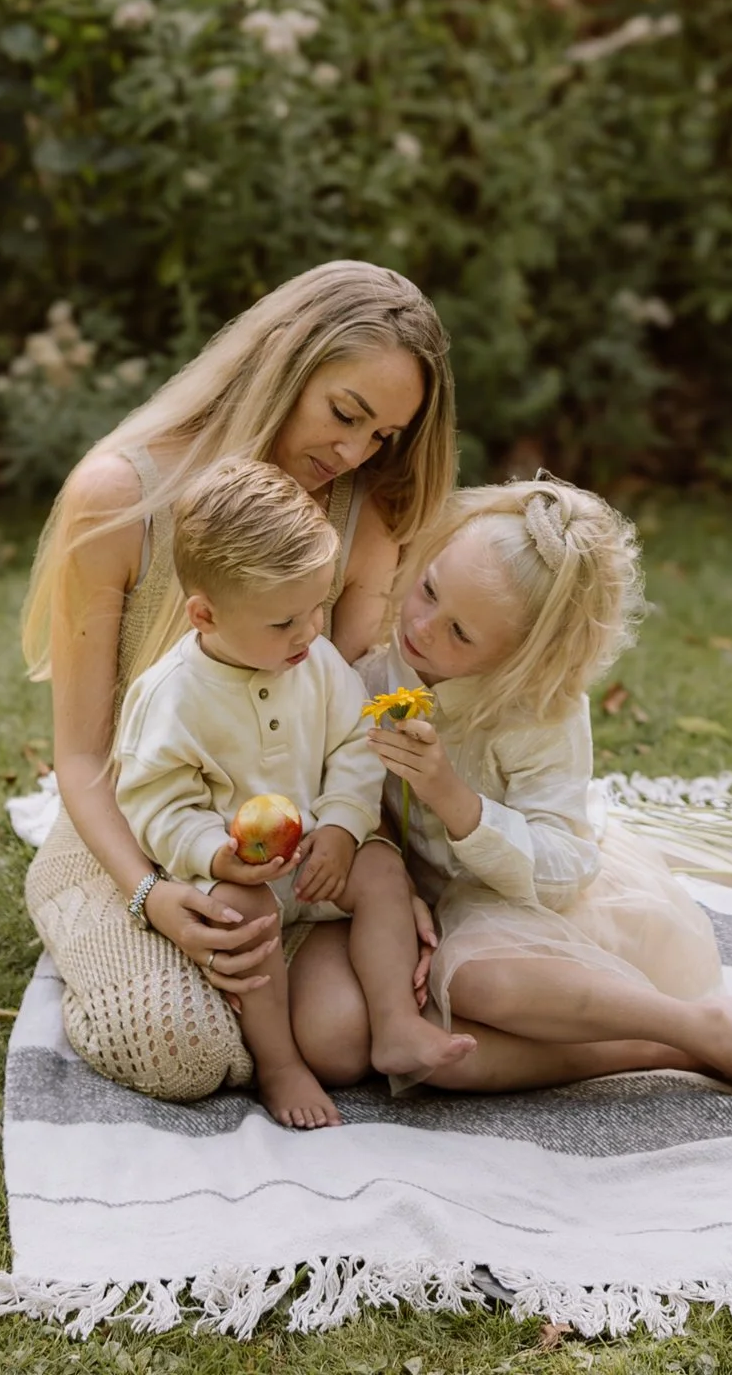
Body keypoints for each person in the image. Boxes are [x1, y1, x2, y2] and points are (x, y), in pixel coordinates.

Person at [22, 260, 457, 1099]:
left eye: (382, 437)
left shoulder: (360, 509)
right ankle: (152, 963)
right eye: (345, 414)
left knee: (344, 1041)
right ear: (286, 360)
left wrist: (377, 862)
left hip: (291, 842)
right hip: (135, 822)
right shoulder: (121, 495)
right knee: (178, 1052)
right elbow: (81, 763)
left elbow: (348, 719)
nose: (354, 451)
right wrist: (151, 897)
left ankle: (277, 1003)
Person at [360, 479, 732, 1104]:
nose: (422, 626)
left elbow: (563, 869)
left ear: (522, 656)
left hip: (524, 899)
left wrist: (453, 798)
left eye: (461, 634)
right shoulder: (372, 658)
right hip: (404, 899)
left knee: (475, 984)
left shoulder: (537, 710)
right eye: (429, 588)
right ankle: (677, 1049)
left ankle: (693, 1019)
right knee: (438, 1059)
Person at [113, 458, 474, 1127]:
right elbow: (156, 804)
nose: (308, 631)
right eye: (284, 622)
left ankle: (396, 1020)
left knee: (381, 866)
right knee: (238, 910)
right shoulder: (171, 698)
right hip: (242, 873)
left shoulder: (319, 664)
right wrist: (213, 854)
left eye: (316, 607)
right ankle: (279, 1063)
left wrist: (340, 826)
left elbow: (353, 748)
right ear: (205, 613)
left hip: (316, 866)